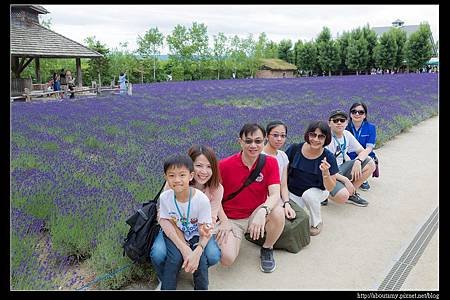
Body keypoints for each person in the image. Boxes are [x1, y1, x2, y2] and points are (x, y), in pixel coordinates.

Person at [150, 145, 224, 288]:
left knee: (209, 256)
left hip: (197, 232)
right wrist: (184, 246)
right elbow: (163, 218)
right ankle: (165, 279)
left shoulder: (208, 195)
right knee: (161, 255)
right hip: (173, 228)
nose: (203, 171)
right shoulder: (170, 189)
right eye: (199, 166)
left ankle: (193, 270)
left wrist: (199, 247)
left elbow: (209, 222)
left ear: (189, 174)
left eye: (209, 166)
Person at [217, 123, 285, 273]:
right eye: (248, 141)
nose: (253, 145)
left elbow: (275, 194)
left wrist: (262, 212)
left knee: (278, 212)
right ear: (240, 141)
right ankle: (236, 238)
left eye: (258, 141)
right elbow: (215, 198)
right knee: (226, 259)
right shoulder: (224, 165)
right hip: (232, 219)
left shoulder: (270, 162)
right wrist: (224, 221)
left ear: (265, 141)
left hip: (256, 213)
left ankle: (267, 247)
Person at [284, 121, 339, 236]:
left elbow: (331, 187)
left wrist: (325, 173)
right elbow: (283, 172)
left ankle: (317, 222)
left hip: (318, 191)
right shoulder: (294, 149)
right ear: (307, 135)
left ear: (326, 139)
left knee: (308, 195)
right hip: (293, 191)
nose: (316, 139)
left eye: (321, 136)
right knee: (289, 221)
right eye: (313, 135)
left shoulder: (328, 157)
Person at [324, 109, 376, 207]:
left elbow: (362, 151)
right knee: (343, 196)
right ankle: (323, 194)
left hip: (341, 167)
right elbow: (327, 169)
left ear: (346, 123)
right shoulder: (326, 139)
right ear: (329, 123)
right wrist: (346, 180)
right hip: (328, 173)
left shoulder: (346, 134)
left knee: (370, 163)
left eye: (342, 120)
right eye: (335, 120)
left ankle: (351, 193)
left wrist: (358, 161)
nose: (339, 123)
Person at [262, 121, 296, 219]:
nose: (279, 139)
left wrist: (286, 203)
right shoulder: (260, 156)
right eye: (275, 135)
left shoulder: (283, 156)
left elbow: (283, 185)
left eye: (283, 136)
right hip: (265, 201)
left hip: (280, 199)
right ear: (267, 136)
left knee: (302, 218)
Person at [346, 102, 377, 191]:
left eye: (361, 112)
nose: (357, 114)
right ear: (350, 114)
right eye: (354, 111)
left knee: (370, 162)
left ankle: (362, 179)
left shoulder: (371, 128)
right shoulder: (344, 127)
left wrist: (359, 159)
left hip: (365, 154)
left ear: (365, 115)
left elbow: (369, 148)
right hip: (348, 155)